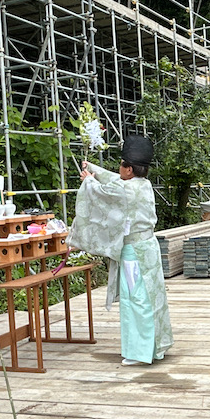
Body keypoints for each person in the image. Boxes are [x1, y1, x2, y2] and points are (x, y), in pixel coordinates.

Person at [68, 135, 174, 366]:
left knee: (136, 300)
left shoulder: (124, 190)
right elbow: (114, 180)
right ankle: (155, 348)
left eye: (122, 164)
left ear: (128, 168)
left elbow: (101, 192)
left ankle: (139, 352)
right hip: (147, 249)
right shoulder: (143, 184)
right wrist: (94, 169)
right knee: (151, 299)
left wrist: (88, 181)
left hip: (134, 253)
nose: (119, 168)